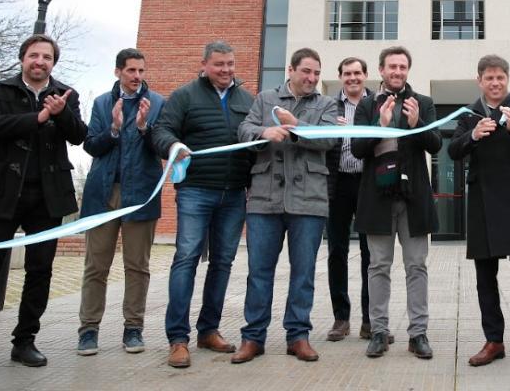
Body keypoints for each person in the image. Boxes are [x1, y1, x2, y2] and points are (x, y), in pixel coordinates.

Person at [0, 34, 88, 375]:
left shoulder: (64, 94)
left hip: (47, 195)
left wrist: (59, 115)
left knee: (40, 270)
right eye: (34, 55)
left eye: (46, 57)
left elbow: (78, 135)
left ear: (53, 63)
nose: (40, 61)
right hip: (0, 192)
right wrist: (39, 118)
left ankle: (25, 341)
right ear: (23, 59)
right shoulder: (0, 91)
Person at [152, 40, 254, 368]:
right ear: (205, 65)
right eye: (219, 64)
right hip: (196, 191)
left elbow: (254, 136)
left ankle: (208, 330)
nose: (225, 70)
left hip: (234, 193)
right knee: (186, 259)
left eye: (230, 64)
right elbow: (161, 131)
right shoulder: (184, 96)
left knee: (222, 263)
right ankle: (177, 339)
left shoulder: (246, 99)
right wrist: (174, 144)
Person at [232, 47, 338, 364]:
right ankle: (252, 338)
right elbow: (243, 130)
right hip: (265, 199)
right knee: (258, 273)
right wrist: (265, 131)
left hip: (309, 201)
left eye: (317, 73)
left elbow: (331, 139)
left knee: (303, 273)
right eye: (306, 71)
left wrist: (298, 127)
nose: (312, 78)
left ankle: (298, 336)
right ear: (290, 70)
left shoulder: (326, 103)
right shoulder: (265, 99)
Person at [448, 54, 510, 374]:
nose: (495, 83)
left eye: (500, 78)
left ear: (508, 79)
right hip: (481, 201)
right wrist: (473, 135)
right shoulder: (469, 114)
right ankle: (494, 340)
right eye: (489, 78)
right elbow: (453, 150)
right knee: (484, 278)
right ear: (480, 81)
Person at [77, 48, 166, 356]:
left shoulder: (157, 103)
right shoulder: (103, 102)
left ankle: (133, 329)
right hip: (104, 195)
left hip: (141, 195)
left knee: (137, 266)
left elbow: (161, 148)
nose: (137, 77)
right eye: (131, 71)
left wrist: (143, 128)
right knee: (96, 265)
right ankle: (88, 330)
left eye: (141, 71)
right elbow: (91, 146)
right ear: (118, 72)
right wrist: (113, 128)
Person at [353, 46, 440, 360]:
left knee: (416, 266)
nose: (398, 72)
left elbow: (435, 145)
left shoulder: (423, 103)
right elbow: (358, 149)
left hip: (414, 198)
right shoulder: (365, 105)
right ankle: (378, 331)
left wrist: (417, 124)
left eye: (403, 67)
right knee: (378, 266)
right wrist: (380, 125)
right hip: (377, 198)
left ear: (408, 70)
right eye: (392, 66)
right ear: (381, 70)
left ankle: (418, 334)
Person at [325, 57, 373, 342]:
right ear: (340, 77)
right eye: (347, 73)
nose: (352, 78)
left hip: (368, 184)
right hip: (338, 182)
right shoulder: (329, 106)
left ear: (365, 76)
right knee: (336, 252)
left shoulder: (377, 104)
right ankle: (341, 318)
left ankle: (369, 320)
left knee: (372, 254)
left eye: (357, 73)